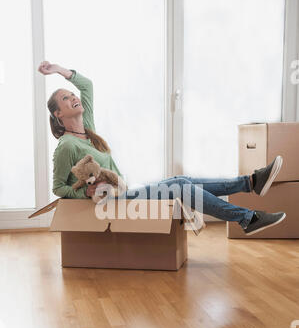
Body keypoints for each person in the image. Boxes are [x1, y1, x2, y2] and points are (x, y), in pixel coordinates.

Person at [39, 61, 286, 236]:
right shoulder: (67, 145)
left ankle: (250, 183)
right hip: (109, 202)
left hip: (122, 192)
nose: (73, 96)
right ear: (58, 114)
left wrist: (60, 70)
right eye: (64, 98)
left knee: (182, 180)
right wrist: (84, 193)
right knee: (179, 187)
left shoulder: (87, 129)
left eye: (71, 94)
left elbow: (87, 86)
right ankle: (246, 218)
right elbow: (58, 187)